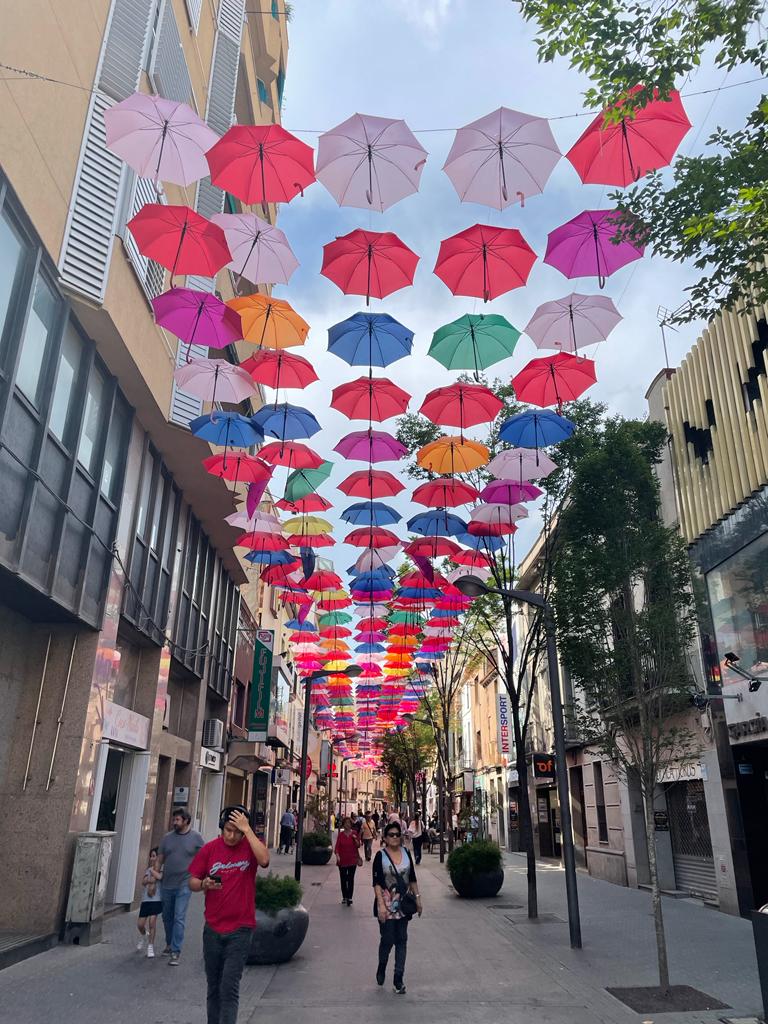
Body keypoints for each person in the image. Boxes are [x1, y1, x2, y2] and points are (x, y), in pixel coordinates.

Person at [189, 805, 269, 1024]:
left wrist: (249, 830)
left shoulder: (249, 847)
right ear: (221, 828)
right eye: (228, 830)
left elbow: (264, 860)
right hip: (213, 928)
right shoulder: (210, 849)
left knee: (229, 986)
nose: (232, 836)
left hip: (241, 929)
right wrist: (203, 883)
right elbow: (192, 881)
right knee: (213, 986)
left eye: (237, 831)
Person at [373, 820, 422, 995]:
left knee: (402, 939)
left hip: (403, 906)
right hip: (386, 905)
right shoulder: (380, 856)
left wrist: (418, 899)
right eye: (391, 835)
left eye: (397, 834)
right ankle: (382, 965)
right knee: (387, 940)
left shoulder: (406, 853)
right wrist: (380, 905)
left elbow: (413, 878)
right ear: (385, 838)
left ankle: (398, 979)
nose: (395, 837)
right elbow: (377, 883)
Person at [157, 808, 204, 965]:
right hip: (166, 883)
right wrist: (153, 877)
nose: (174, 822)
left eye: (177, 820)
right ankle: (169, 944)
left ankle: (176, 951)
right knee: (166, 916)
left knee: (179, 916)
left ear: (186, 821)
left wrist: (199, 875)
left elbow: (205, 857)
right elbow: (160, 859)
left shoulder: (196, 838)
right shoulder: (167, 838)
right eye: (174, 819)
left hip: (185, 882)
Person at [136, 846, 162, 958]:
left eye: (154, 856)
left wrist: (152, 874)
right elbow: (143, 881)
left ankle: (150, 946)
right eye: (151, 856)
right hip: (146, 899)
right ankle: (144, 934)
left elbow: (160, 877)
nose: (152, 858)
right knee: (140, 924)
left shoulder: (161, 868)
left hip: (156, 899)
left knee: (152, 922)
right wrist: (150, 877)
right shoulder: (148, 869)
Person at [334, 817, 362, 906]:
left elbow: (358, 845)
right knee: (343, 878)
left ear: (351, 824)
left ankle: (349, 897)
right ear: (343, 824)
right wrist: (337, 856)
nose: (347, 825)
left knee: (350, 878)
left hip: (352, 860)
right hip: (342, 860)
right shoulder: (341, 835)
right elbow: (337, 847)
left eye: (349, 823)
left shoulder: (354, 833)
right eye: (346, 823)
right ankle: (344, 897)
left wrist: (355, 839)